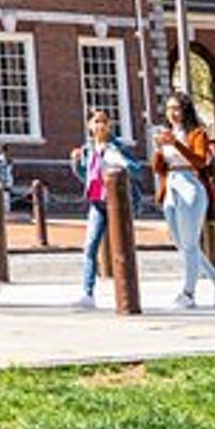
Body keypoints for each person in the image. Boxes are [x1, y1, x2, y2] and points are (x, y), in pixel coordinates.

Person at [152, 92, 215, 310]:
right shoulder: (167, 133)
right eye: (168, 109)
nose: (172, 113)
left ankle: (188, 293)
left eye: (176, 108)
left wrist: (176, 143)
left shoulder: (196, 133)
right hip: (171, 185)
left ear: (185, 110)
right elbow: (158, 168)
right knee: (183, 244)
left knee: (190, 243)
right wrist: (159, 149)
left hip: (190, 184)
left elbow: (199, 161)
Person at [70, 109, 133, 309]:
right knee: (90, 246)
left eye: (104, 121)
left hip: (117, 202)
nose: (100, 125)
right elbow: (88, 176)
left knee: (123, 248)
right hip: (97, 202)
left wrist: (121, 162)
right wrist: (75, 164)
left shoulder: (117, 146)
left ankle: (127, 292)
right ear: (89, 125)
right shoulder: (88, 149)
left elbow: (135, 169)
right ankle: (87, 293)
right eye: (96, 121)